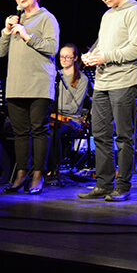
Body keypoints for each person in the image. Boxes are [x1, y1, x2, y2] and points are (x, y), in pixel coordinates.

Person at [78, 0, 137, 201]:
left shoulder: (135, 11)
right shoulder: (107, 15)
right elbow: (102, 44)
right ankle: (103, 184)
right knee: (99, 134)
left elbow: (136, 49)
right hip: (102, 82)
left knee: (124, 136)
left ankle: (123, 186)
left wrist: (105, 57)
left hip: (124, 81)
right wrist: (91, 55)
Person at [0, 0, 59, 195]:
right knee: (20, 133)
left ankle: (38, 175)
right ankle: (21, 173)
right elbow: (1, 52)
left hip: (39, 84)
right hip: (16, 85)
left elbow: (52, 47)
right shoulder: (16, 21)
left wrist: (27, 36)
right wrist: (6, 31)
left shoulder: (47, 18)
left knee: (39, 130)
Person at [49, 43, 90, 176]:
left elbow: (73, 108)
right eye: (61, 57)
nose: (64, 60)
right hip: (53, 116)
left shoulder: (82, 79)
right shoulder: (54, 75)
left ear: (75, 58)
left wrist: (53, 108)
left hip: (72, 120)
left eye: (68, 57)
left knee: (54, 132)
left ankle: (54, 168)